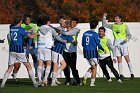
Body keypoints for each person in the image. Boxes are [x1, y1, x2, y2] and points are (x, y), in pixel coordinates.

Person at [1, 16, 39, 88]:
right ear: (20, 21)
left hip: (12, 50)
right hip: (19, 50)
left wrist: (28, 31)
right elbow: (30, 37)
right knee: (28, 65)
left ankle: (2, 84)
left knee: (10, 67)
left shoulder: (12, 29)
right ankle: (35, 83)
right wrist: (36, 34)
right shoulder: (21, 29)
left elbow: (20, 32)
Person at [36, 15, 67, 86]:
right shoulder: (51, 29)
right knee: (48, 64)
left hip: (40, 47)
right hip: (47, 48)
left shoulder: (39, 29)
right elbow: (57, 38)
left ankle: (40, 80)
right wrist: (64, 41)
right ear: (47, 22)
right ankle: (45, 79)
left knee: (40, 65)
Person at [102, 13, 134, 80]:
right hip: (116, 44)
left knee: (127, 58)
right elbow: (104, 25)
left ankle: (132, 73)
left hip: (123, 43)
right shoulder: (113, 25)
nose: (115, 19)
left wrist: (127, 39)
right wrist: (104, 17)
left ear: (120, 19)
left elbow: (129, 35)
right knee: (119, 60)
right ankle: (121, 74)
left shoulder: (125, 26)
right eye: (115, 18)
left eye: (117, 18)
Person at [51, 20, 77, 86]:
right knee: (56, 66)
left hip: (56, 51)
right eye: (71, 27)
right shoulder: (67, 34)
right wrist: (75, 42)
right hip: (56, 51)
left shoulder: (61, 31)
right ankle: (53, 81)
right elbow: (74, 42)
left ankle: (55, 78)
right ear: (69, 27)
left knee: (64, 64)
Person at [82, 20, 105, 86]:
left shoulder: (85, 33)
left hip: (86, 52)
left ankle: (85, 77)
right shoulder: (95, 34)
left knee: (93, 66)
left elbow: (83, 43)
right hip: (93, 52)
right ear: (96, 26)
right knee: (95, 67)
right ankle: (92, 83)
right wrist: (103, 49)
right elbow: (98, 44)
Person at [62, 17, 80, 85]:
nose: (73, 23)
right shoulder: (66, 29)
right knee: (65, 67)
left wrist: (66, 30)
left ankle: (77, 80)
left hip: (72, 51)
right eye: (72, 22)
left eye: (75, 22)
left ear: (76, 24)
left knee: (73, 67)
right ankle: (68, 79)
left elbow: (68, 33)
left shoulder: (76, 30)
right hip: (65, 50)